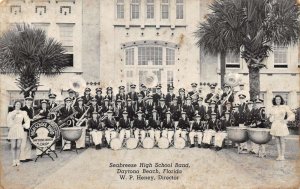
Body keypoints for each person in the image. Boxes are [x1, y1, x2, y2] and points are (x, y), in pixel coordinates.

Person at [269, 95, 295, 161]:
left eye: (279, 99)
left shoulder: (284, 107)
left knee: (282, 140)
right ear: (275, 100)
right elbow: (271, 118)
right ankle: (279, 155)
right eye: (276, 99)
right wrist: (271, 118)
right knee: (277, 141)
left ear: (281, 100)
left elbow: (292, 115)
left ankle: (282, 156)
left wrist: (286, 120)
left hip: (282, 124)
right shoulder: (273, 108)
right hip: (275, 124)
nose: (278, 101)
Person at [7, 101, 30, 166]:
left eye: (19, 104)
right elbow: (9, 122)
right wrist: (14, 115)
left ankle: (17, 160)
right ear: (15, 105)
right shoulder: (11, 113)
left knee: (18, 146)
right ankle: (14, 161)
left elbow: (27, 120)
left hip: (20, 128)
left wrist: (24, 125)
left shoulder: (23, 112)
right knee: (13, 146)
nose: (18, 105)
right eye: (17, 104)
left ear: (20, 105)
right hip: (13, 129)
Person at [20, 96, 34, 162]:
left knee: (29, 143)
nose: (29, 102)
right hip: (24, 128)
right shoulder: (22, 108)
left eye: (30, 100)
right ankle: (22, 158)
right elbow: (20, 119)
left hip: (30, 128)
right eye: (27, 100)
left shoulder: (31, 109)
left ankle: (28, 157)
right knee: (23, 143)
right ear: (25, 101)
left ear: (31, 102)